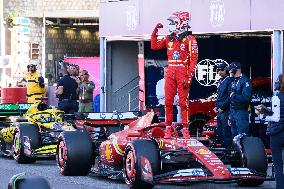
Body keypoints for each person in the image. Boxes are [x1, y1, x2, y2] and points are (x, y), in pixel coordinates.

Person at [151, 11, 198, 138]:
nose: (170, 25)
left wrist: (189, 77)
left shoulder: (190, 39)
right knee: (168, 102)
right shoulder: (168, 38)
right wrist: (155, 31)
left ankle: (185, 129)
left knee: (183, 103)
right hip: (171, 71)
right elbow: (154, 46)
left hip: (183, 71)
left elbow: (194, 59)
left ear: (181, 23)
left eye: (173, 22)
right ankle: (167, 129)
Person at [255, 74, 284, 189]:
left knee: (278, 165)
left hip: (277, 134)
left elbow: (276, 118)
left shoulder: (277, 97)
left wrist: (262, 115)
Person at [228, 61, 252, 137]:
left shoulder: (245, 81)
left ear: (237, 69)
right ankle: (235, 149)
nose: (230, 71)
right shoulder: (233, 81)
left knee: (242, 135)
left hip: (241, 112)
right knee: (234, 135)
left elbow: (246, 98)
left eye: (231, 70)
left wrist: (234, 96)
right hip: (233, 111)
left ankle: (244, 149)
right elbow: (230, 98)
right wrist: (230, 115)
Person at [214, 63, 233, 148]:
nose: (220, 72)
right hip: (219, 111)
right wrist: (216, 106)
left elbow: (230, 96)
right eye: (218, 70)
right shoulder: (220, 81)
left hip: (226, 111)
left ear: (227, 70)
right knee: (220, 131)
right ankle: (223, 148)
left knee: (226, 131)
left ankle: (228, 150)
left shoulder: (229, 81)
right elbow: (218, 96)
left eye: (222, 70)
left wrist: (223, 107)